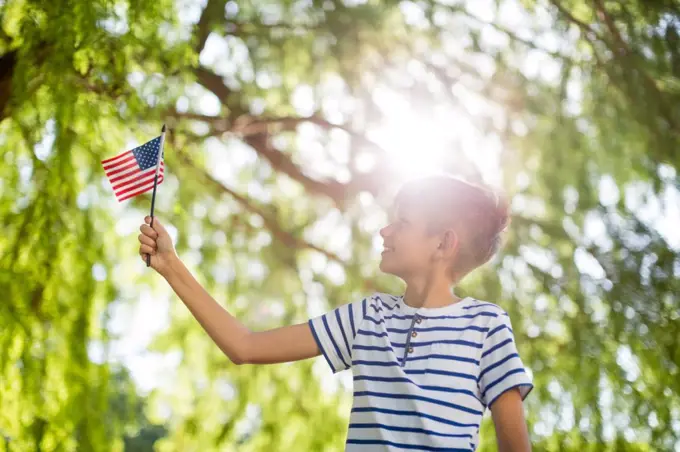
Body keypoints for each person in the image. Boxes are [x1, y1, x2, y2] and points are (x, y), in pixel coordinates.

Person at [137, 174, 533, 451]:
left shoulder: (486, 326)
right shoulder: (367, 318)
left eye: (402, 223)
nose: (385, 232)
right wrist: (170, 265)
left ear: (443, 243)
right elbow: (245, 346)